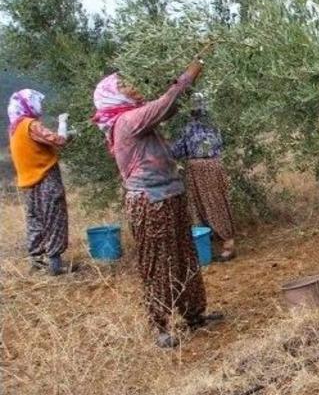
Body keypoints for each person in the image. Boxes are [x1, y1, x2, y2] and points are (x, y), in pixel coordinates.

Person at [92, 45, 223, 348]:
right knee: (158, 263)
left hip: (170, 194)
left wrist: (184, 81)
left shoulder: (135, 118)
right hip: (151, 202)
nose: (133, 87)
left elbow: (170, 107)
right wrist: (194, 66)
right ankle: (160, 325)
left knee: (185, 257)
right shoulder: (127, 121)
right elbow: (167, 102)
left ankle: (193, 314)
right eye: (125, 85)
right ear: (113, 96)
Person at [7, 89, 74, 275]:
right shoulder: (31, 125)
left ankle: (37, 263)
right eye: (36, 101)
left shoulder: (14, 127)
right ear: (28, 104)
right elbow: (59, 141)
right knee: (54, 216)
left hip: (27, 182)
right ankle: (55, 265)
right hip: (46, 178)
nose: (39, 105)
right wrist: (64, 124)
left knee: (35, 219)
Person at [171, 93, 236, 261]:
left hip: (204, 168)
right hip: (204, 167)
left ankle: (228, 244)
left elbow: (177, 151)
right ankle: (214, 244)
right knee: (204, 205)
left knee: (213, 204)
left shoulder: (194, 126)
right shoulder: (209, 123)